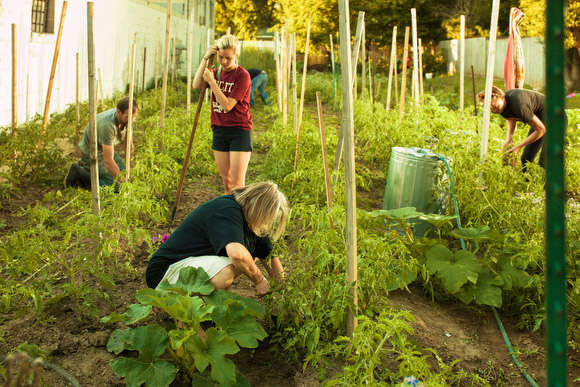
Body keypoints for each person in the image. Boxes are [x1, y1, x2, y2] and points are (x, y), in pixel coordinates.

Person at [145, 181, 289, 297]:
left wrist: (288, 303)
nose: (266, 223)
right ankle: (186, 315)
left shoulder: (253, 223)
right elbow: (237, 255)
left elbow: (271, 260)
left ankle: (201, 307)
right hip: (165, 274)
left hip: (189, 271)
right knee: (230, 268)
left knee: (250, 258)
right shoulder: (227, 209)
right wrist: (259, 279)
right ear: (260, 210)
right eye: (267, 218)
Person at [193, 34, 252, 194]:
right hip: (219, 130)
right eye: (220, 57)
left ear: (236, 55)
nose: (224, 62)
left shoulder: (242, 76)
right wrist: (205, 58)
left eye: (228, 58)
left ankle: (241, 218)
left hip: (239, 131)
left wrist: (212, 82)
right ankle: (230, 217)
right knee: (226, 183)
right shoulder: (216, 72)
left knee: (237, 185)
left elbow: (227, 106)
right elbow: (197, 84)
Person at [478, 86, 568, 172]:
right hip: (541, 120)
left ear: (501, 97)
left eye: (496, 107)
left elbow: (541, 130)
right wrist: (509, 137)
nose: (494, 110)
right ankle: (528, 184)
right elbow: (509, 116)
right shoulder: (500, 106)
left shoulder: (519, 104)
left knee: (545, 161)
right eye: (491, 108)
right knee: (526, 158)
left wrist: (519, 146)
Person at [64, 97, 138, 190]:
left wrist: (129, 166)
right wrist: (124, 183)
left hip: (104, 148)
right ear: (119, 112)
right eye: (127, 117)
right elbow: (108, 161)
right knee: (115, 188)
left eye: (133, 117)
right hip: (92, 151)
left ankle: (88, 166)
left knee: (124, 173)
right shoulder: (107, 125)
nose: (131, 120)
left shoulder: (129, 117)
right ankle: (79, 171)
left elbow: (129, 143)